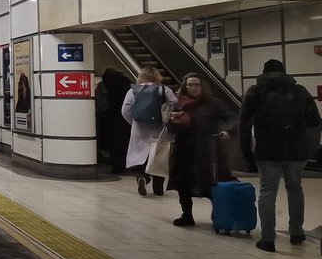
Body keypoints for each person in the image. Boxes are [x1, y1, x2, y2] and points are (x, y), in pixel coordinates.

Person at [238, 59, 322, 252]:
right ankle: (296, 232)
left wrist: (246, 152)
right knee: (295, 189)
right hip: (296, 150)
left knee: (268, 191)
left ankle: (268, 239)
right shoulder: (300, 91)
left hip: (267, 151)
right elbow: (314, 121)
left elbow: (244, 125)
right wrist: (310, 150)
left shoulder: (255, 92)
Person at [166, 72, 235, 227]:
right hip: (184, 150)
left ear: (202, 86)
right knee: (183, 183)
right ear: (185, 86)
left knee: (212, 182)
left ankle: (219, 214)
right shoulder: (178, 104)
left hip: (208, 150)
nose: (193, 88)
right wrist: (174, 121)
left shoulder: (213, 104)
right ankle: (187, 215)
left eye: (196, 85)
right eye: (190, 85)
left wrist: (228, 131)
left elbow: (230, 117)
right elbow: (170, 128)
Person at [120, 66, 177, 196]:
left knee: (140, 156)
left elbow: (125, 110)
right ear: (157, 77)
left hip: (139, 128)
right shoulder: (165, 90)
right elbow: (175, 105)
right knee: (159, 156)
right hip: (160, 129)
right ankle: (158, 187)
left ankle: (142, 177)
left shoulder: (133, 91)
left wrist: (133, 122)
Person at [96, 68, 133, 174]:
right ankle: (126, 165)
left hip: (110, 118)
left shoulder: (103, 85)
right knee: (125, 141)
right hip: (126, 119)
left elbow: (101, 103)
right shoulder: (129, 84)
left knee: (113, 142)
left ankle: (116, 167)